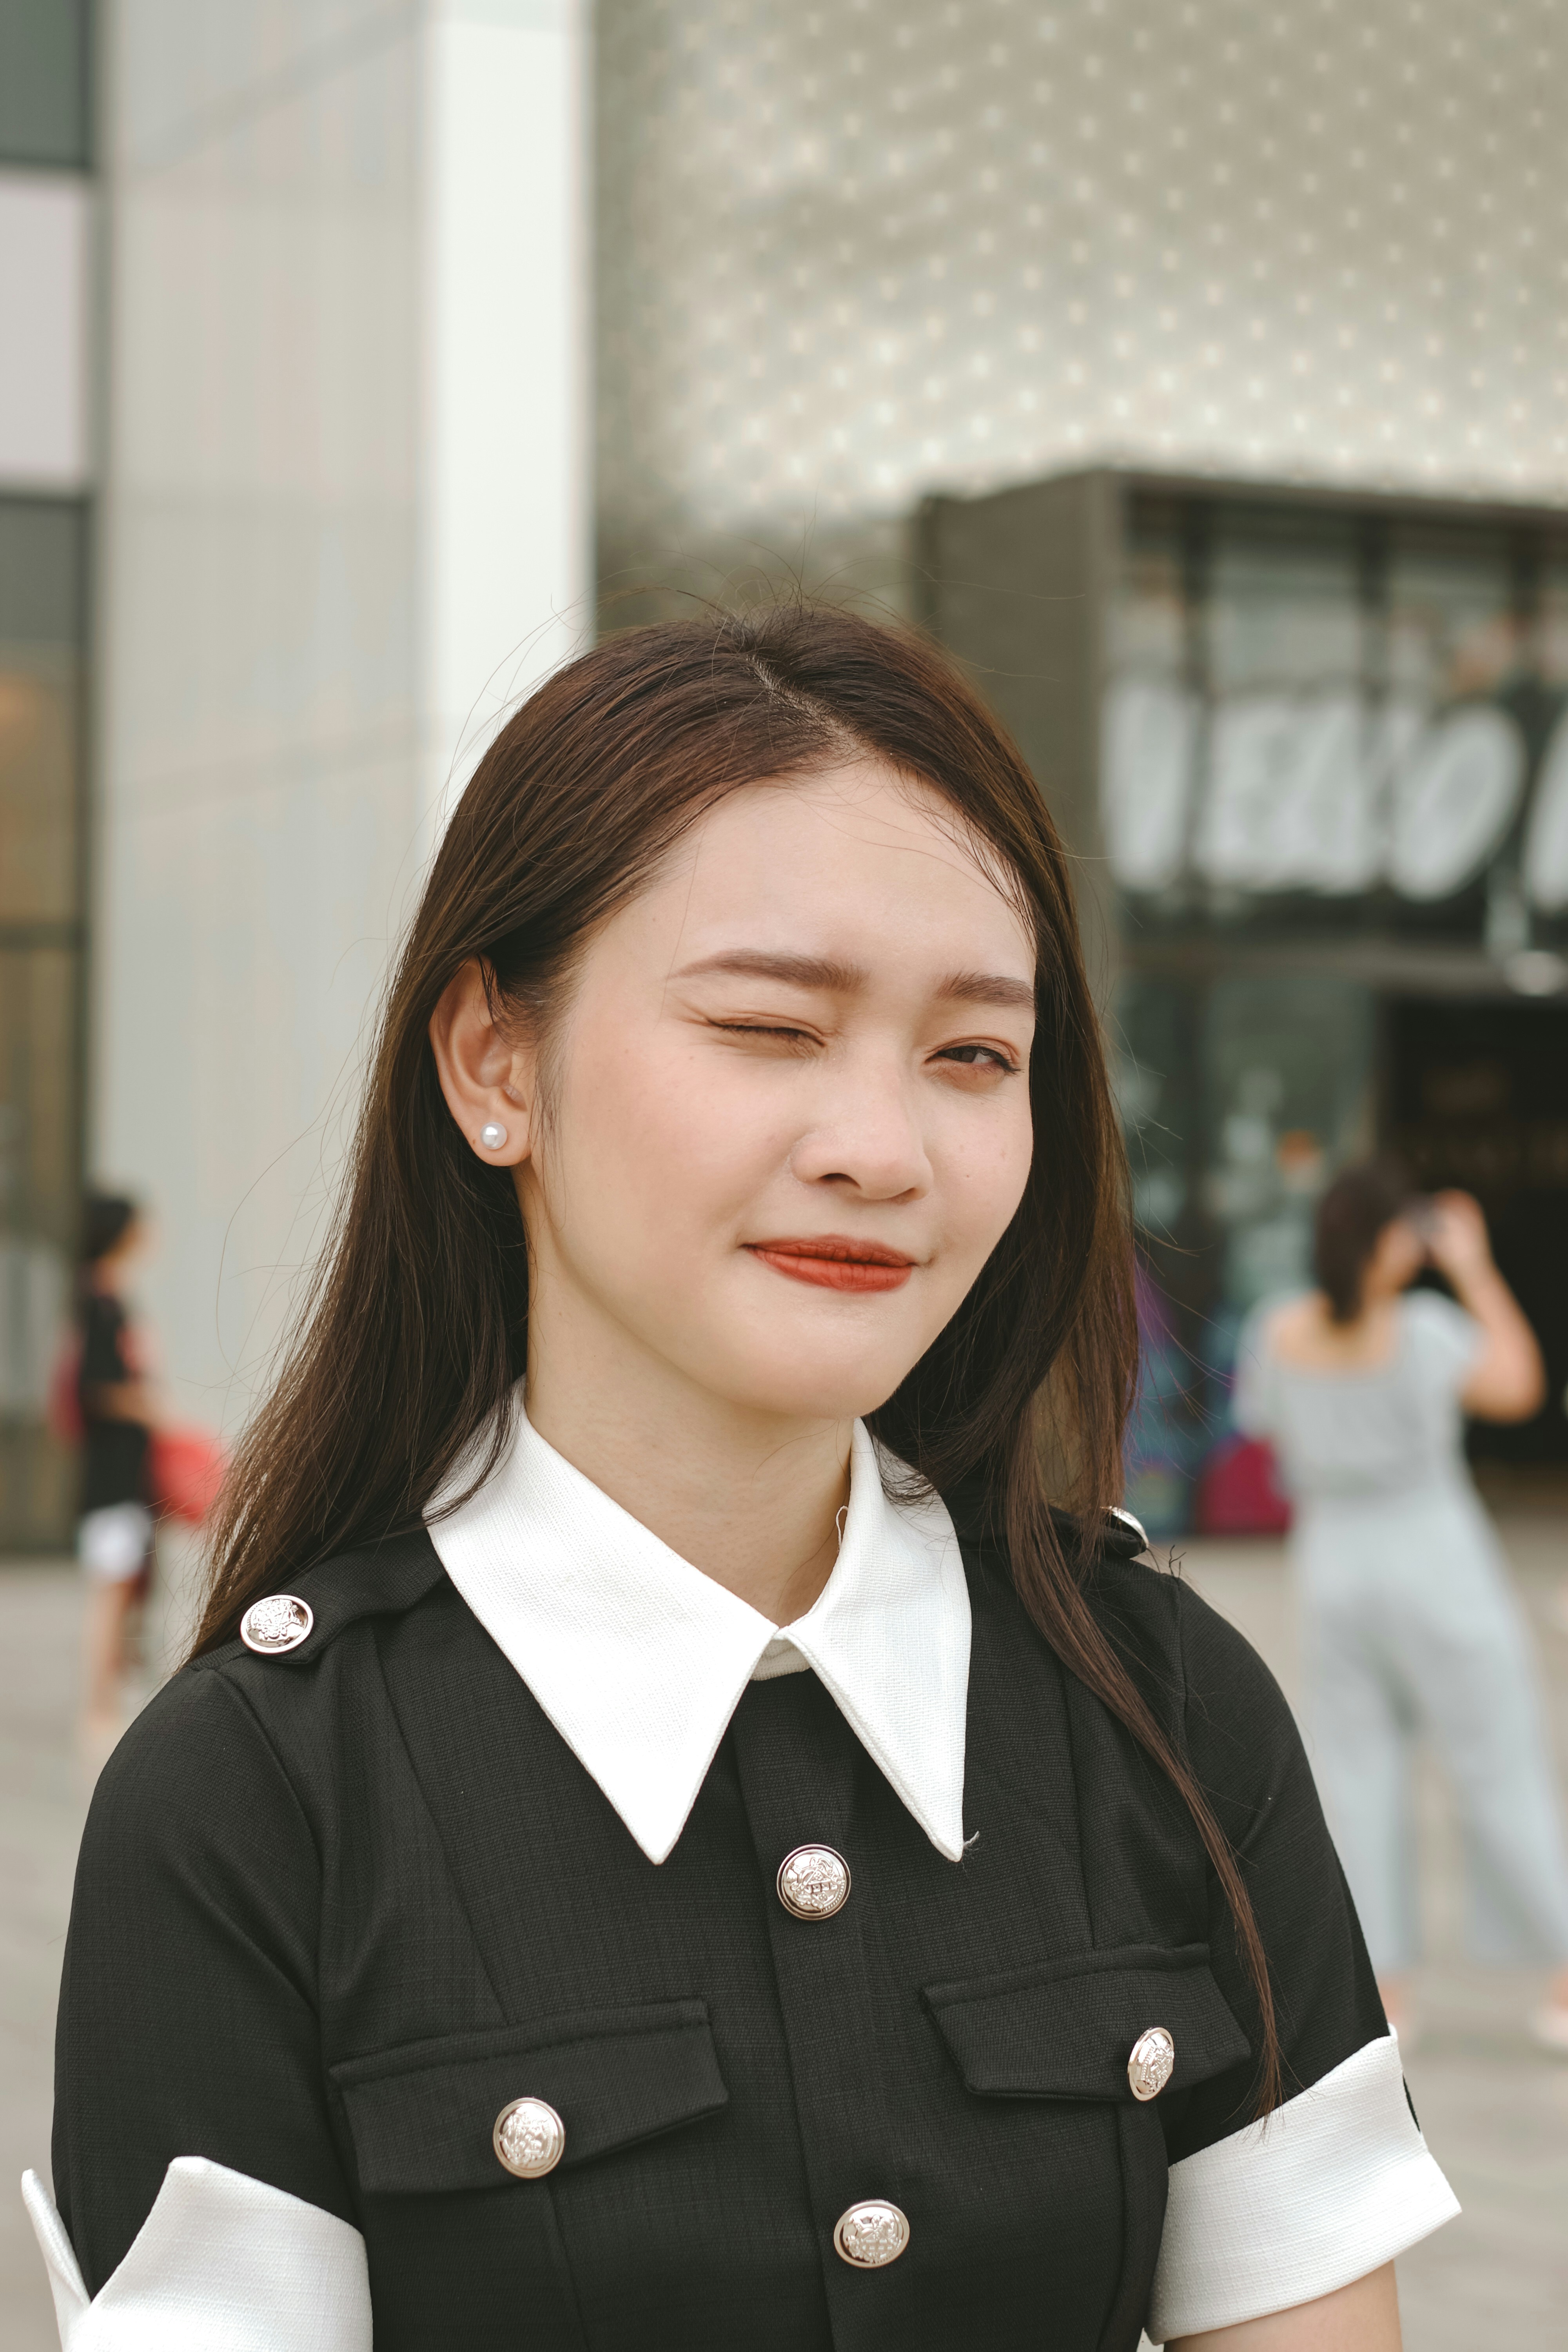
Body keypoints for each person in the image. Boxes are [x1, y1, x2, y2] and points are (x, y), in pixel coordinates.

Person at [25, 612, 1457, 2351]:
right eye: (772, 1026)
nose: (882, 1149)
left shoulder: (1163, 1706)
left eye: (974, 1055)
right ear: (493, 1063)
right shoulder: (257, 1804)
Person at [1234, 1161, 1568, 2053]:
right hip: (1436, 1560)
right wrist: (1475, 1269)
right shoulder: (1422, 1331)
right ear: (1383, 1241)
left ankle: (1385, 1994)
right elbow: (1518, 1385)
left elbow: (1262, 1427)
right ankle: (1564, 1973)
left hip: (1332, 1565)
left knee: (1359, 1780)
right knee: (1498, 1766)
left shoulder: (1277, 1328)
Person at [72, 1194, 158, 1757]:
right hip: (111, 1476)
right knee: (110, 1591)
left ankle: (110, 1699)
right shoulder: (99, 1304)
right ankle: (98, 1708)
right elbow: (96, 1388)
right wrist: (150, 1408)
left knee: (123, 1589)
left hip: (123, 1475)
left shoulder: (101, 1299)